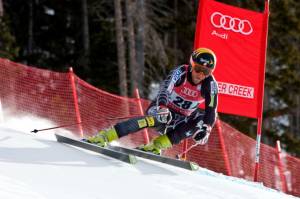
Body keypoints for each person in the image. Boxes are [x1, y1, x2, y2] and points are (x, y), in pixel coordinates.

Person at [87, 47, 218, 155]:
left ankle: (157, 145)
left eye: (206, 72)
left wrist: (206, 130)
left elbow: (212, 110)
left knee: (202, 119)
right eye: (198, 69)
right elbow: (164, 90)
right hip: (162, 109)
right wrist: (162, 107)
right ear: (191, 65)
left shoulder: (210, 85)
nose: (200, 75)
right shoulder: (180, 73)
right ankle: (105, 136)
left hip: (180, 119)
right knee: (156, 118)